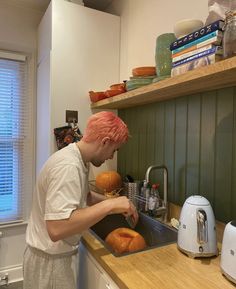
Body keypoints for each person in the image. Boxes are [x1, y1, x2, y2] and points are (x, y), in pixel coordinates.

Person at [23, 111, 138, 289]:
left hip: (50, 258)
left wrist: (116, 202)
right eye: (114, 150)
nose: (112, 156)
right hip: (51, 263)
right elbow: (56, 228)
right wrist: (109, 205)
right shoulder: (68, 166)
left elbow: (86, 197)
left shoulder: (78, 159)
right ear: (105, 141)